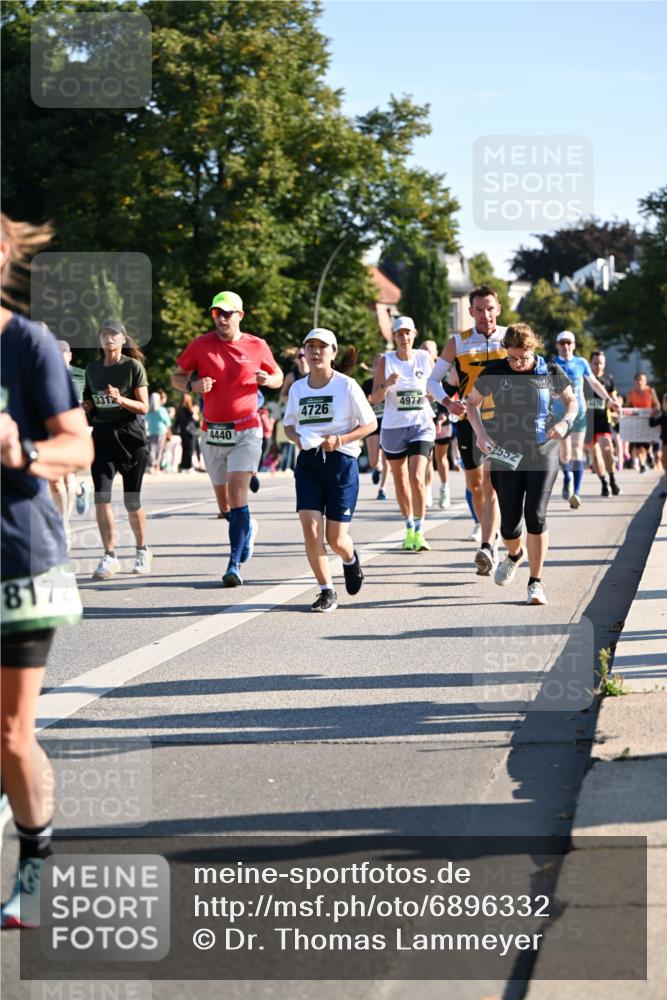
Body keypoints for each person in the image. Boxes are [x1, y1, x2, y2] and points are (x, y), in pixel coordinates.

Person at [1, 212, 93, 928]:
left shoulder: (26, 344)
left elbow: (78, 448)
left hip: (18, 560)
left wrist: (23, 453)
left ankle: (35, 868)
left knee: (10, 732)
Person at [171, 290, 283, 587]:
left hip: (247, 430)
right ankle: (247, 528)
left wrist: (267, 380)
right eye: (217, 313)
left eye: (227, 313)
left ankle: (234, 564)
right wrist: (194, 384)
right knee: (224, 508)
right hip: (212, 433)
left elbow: (279, 376)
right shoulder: (200, 345)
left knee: (236, 498)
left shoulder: (257, 346)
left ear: (240, 315)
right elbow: (176, 377)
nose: (221, 318)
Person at [467, 323, 578, 606]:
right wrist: (480, 434)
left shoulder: (550, 371)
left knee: (536, 516)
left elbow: (573, 403)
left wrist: (565, 423)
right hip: (506, 453)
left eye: (523, 358)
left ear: (533, 350)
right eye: (512, 357)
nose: (517, 364)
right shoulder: (494, 372)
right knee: (509, 528)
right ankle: (515, 555)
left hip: (543, 450)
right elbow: (472, 404)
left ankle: (536, 582)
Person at [283, 329, 376, 611]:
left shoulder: (347, 386)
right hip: (309, 463)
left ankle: (350, 559)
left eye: (322, 347)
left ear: (333, 353)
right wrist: (297, 438)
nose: (315, 352)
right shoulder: (299, 388)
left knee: (336, 539)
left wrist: (341, 440)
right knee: (311, 530)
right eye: (309, 346)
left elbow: (370, 424)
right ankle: (326, 590)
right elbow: (289, 424)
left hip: (342, 464)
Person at [427, 285, 507, 575]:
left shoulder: (510, 337)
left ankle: (489, 545)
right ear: (471, 311)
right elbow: (432, 382)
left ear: (498, 308)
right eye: (480, 309)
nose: (486, 314)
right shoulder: (458, 342)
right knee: (475, 487)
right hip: (469, 422)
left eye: (490, 308)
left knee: (492, 485)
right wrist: (449, 403)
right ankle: (486, 527)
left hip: (503, 423)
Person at [83, 320, 152, 579]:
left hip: (130, 439)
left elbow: (144, 407)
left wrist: (120, 399)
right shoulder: (92, 369)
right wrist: (87, 407)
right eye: (104, 333)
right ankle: (109, 555)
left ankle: (142, 550)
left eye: (113, 334)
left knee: (132, 500)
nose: (108, 338)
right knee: (101, 498)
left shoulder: (132, 366)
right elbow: (91, 402)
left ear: (123, 339)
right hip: (102, 438)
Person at [370, 316, 435, 551]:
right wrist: (386, 384)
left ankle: (420, 531)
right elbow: (374, 398)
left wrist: (436, 397)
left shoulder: (424, 358)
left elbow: (435, 386)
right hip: (393, 427)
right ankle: (408, 528)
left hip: (421, 424)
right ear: (394, 337)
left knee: (417, 476)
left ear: (414, 334)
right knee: (400, 480)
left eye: (408, 333)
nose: (404, 337)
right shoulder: (385, 362)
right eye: (399, 334)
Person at [552, 331, 620, 507]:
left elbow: (595, 383)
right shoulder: (552, 364)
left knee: (576, 451)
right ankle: (567, 477)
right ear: (557, 345)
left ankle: (576, 492)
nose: (566, 346)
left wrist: (609, 401)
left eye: (569, 343)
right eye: (562, 343)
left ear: (574, 345)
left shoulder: (581, 363)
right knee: (565, 453)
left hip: (579, 412)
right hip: (560, 414)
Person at [585, 351, 621, 496]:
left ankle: (612, 479)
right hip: (586, 422)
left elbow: (614, 397)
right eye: (595, 363)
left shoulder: (608, 379)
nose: (598, 366)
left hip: (603, 420)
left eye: (601, 363)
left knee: (607, 451)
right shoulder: (584, 378)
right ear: (590, 363)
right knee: (595, 454)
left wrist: (617, 405)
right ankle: (604, 483)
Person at [362, 354, 389, 500]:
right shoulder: (367, 383)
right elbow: (363, 402)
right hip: (372, 422)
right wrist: (369, 400)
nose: (379, 365)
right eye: (376, 362)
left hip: (387, 422)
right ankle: (377, 469)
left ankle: (383, 489)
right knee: (373, 461)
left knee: (386, 458)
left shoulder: (389, 382)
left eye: (381, 363)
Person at [626, 372, 661, 473]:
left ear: (645, 381)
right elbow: (627, 407)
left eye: (642, 380)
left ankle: (649, 456)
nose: (640, 382)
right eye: (638, 380)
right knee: (638, 446)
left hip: (649, 422)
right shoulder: (631, 393)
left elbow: (657, 406)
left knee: (647, 445)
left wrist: (654, 411)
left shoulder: (650, 391)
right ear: (634, 381)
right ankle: (642, 465)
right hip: (637, 423)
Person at [172, 393, 199, 472]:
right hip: (190, 432)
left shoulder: (179, 409)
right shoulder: (190, 410)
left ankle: (183, 465)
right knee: (190, 450)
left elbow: (176, 422)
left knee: (184, 449)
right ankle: (188, 466)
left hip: (183, 432)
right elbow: (196, 422)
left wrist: (175, 430)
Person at [146, 391, 171, 474]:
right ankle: (157, 467)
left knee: (152, 449)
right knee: (159, 450)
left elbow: (146, 420)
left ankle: (152, 466)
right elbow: (168, 422)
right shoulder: (161, 410)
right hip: (161, 431)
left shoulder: (148, 410)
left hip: (152, 431)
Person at [649, 393, 667, 497]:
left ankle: (665, 490)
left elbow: (652, 424)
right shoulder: (663, 416)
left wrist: (651, 415)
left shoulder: (663, 416)